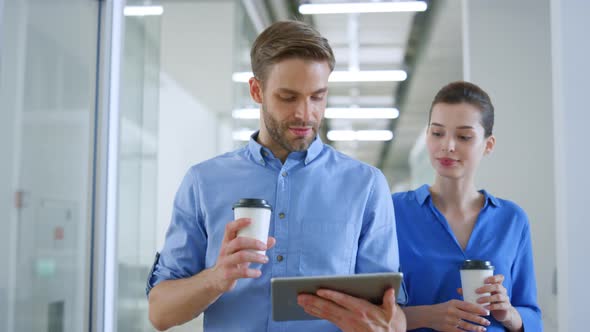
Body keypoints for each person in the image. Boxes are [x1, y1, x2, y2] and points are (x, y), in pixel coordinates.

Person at [147, 20, 406, 332]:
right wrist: (216, 277)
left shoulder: (365, 185)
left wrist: (386, 325)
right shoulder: (203, 182)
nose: (305, 113)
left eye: (317, 97)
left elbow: (392, 313)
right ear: (257, 90)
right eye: (288, 97)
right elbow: (160, 313)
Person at [392, 81, 542, 332]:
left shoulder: (512, 219)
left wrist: (508, 314)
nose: (448, 146)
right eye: (437, 133)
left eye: (464, 136)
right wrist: (429, 317)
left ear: (488, 145)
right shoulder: (394, 212)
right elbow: (371, 312)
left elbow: (532, 316)